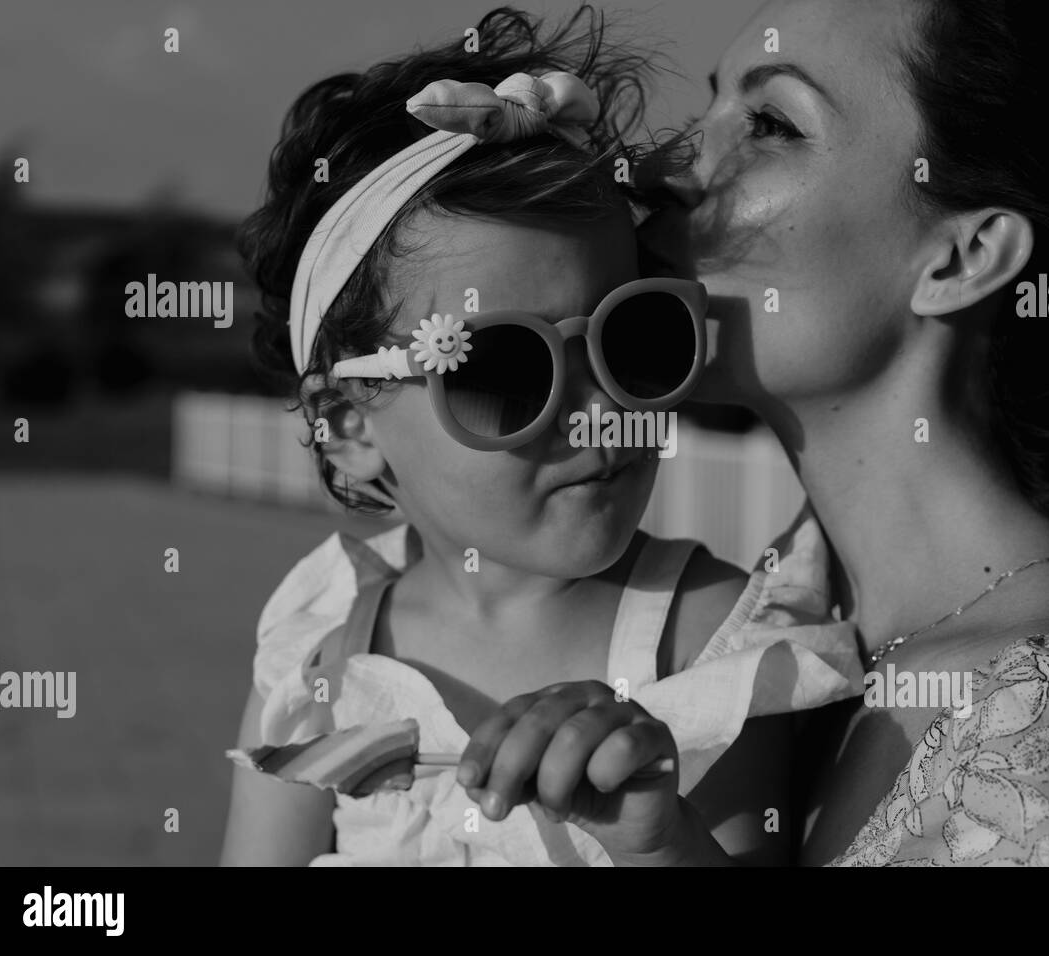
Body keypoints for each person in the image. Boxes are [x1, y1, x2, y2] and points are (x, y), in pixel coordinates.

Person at [453, 0, 1049, 866]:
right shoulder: (785, 634)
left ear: (962, 259)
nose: (661, 166)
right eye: (711, 108)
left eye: (770, 124)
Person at [219, 7, 863, 867]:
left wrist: (656, 839)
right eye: (504, 373)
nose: (600, 410)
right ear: (347, 425)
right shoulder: (319, 638)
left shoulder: (706, 638)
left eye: (634, 339)